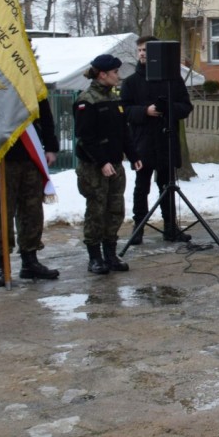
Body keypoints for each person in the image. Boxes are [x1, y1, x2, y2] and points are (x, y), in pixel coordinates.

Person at [0, 79, 60, 286]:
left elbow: (45, 115)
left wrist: (51, 147)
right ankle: (2, 266)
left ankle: (30, 261)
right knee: (1, 212)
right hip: (3, 158)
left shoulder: (29, 78)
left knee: (32, 211)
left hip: (30, 156)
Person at [120, 35, 194, 244]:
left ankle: (170, 226)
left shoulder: (172, 79)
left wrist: (166, 109)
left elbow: (186, 106)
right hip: (142, 141)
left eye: (146, 50)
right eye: (140, 50)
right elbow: (124, 110)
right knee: (141, 187)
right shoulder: (131, 82)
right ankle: (139, 227)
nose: (142, 54)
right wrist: (145, 111)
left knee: (167, 185)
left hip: (166, 140)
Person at [74, 54, 142, 274]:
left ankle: (110, 254)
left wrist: (133, 155)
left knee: (115, 209)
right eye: (115, 72)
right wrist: (102, 162)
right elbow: (85, 137)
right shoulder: (87, 100)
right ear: (102, 75)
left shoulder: (113, 98)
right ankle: (95, 257)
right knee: (96, 210)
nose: (118, 76)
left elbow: (123, 131)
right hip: (94, 167)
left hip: (115, 164)